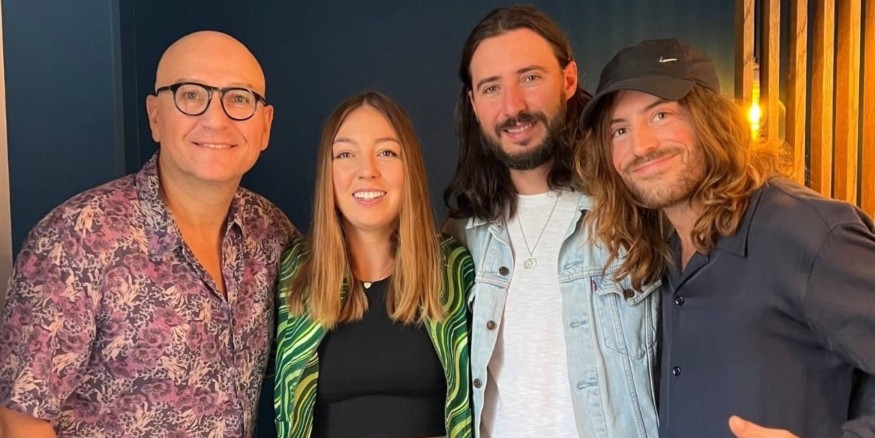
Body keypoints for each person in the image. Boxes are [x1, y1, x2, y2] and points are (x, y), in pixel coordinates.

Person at [0, 31, 295, 437]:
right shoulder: (76, 238)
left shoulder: (272, 233)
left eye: (239, 98)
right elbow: (21, 418)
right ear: (155, 116)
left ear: (265, 126)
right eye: (191, 95)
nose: (216, 119)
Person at [579, 38, 875, 437]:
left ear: (711, 119)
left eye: (661, 115)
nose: (641, 146)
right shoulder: (661, 253)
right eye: (619, 130)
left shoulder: (809, 233)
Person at [442, 5, 659, 437]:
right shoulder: (461, 237)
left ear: (569, 79)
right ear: (474, 104)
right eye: (491, 88)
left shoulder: (635, 208)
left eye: (530, 78)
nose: (513, 107)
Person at [273, 91, 474, 437]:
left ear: (409, 168)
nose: (367, 171)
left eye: (386, 153)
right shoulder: (295, 271)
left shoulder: (454, 268)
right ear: (327, 172)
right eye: (345, 154)